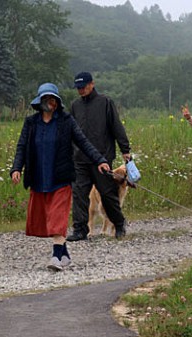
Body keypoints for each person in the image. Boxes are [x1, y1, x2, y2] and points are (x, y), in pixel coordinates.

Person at [10, 83, 110, 271]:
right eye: (47, 99)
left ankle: (56, 257)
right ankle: (64, 255)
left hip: (61, 178)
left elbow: (83, 142)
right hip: (39, 179)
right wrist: (16, 168)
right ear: (40, 101)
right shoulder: (31, 123)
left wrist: (100, 160)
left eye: (54, 99)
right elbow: (21, 147)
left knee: (57, 217)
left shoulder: (66, 121)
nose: (51, 103)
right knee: (46, 219)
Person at [67, 71, 131, 241]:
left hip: (101, 158)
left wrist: (125, 149)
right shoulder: (75, 106)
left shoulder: (105, 103)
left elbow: (116, 126)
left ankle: (119, 223)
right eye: (78, 88)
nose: (80, 90)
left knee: (107, 193)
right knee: (79, 194)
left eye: (83, 87)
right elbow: (70, 131)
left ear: (91, 84)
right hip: (79, 158)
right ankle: (80, 229)